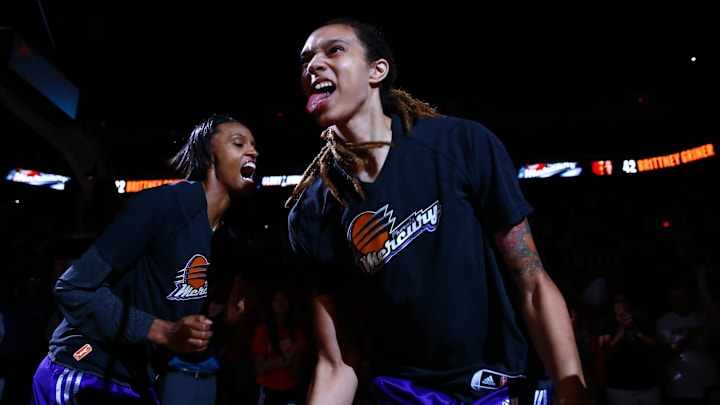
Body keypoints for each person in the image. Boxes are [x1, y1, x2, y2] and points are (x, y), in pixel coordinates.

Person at [284, 17, 590, 405]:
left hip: (495, 390)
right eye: (306, 59)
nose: (313, 65)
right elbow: (337, 363)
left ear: (377, 71)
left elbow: (533, 284)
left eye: (334, 50)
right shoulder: (312, 209)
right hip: (402, 394)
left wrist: (570, 385)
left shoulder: (461, 144)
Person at [30, 113, 259, 404]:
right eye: (239, 143)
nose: (253, 151)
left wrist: (226, 322)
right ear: (209, 156)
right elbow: (71, 288)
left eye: (253, 144)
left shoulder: (220, 241)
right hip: (86, 372)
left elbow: (183, 345)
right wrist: (161, 330)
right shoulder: (165, 204)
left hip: (138, 384)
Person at [251, 287, 309, 405]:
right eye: (276, 300)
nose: (280, 303)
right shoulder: (263, 330)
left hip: (291, 389)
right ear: (271, 304)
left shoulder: (297, 332)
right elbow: (260, 368)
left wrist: (291, 355)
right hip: (268, 390)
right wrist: (288, 354)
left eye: (284, 299)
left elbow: (297, 370)